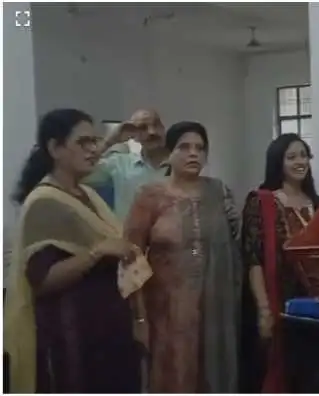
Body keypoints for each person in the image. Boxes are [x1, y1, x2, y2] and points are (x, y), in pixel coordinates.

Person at [3, 109, 142, 393]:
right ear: (55, 148)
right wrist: (95, 253)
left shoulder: (86, 194)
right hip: (74, 333)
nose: (93, 149)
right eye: (84, 142)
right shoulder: (44, 203)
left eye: (94, 141)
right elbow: (42, 282)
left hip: (109, 327)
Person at [124, 121, 242, 393]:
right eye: (184, 147)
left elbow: (234, 250)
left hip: (217, 314)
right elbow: (131, 258)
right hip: (167, 315)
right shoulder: (150, 196)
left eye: (200, 148)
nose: (193, 154)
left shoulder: (219, 192)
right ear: (169, 154)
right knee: (174, 378)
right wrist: (138, 318)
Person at [241, 133, 319, 393]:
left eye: (304, 155)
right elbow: (253, 258)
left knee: (313, 376)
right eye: (291, 157)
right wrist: (264, 309)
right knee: (279, 373)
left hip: (315, 306)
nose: (300, 162)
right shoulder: (263, 201)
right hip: (279, 305)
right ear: (278, 162)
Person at [84, 108, 169, 220]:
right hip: (127, 235)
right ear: (134, 135)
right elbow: (82, 176)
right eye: (143, 128)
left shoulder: (179, 166)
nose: (152, 132)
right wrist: (109, 141)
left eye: (156, 125)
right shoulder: (119, 163)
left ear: (163, 128)